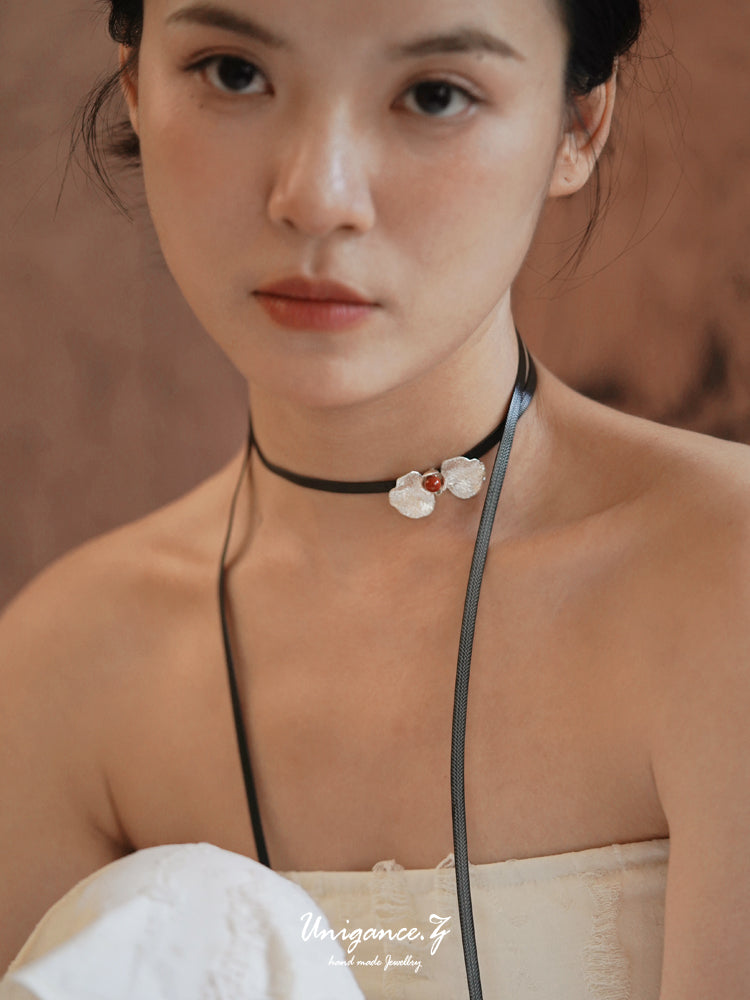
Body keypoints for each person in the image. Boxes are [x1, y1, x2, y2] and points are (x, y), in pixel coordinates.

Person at [1, 0, 749, 996]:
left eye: (435, 94)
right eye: (233, 73)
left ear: (578, 125)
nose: (317, 199)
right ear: (137, 84)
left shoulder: (723, 580)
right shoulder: (61, 674)